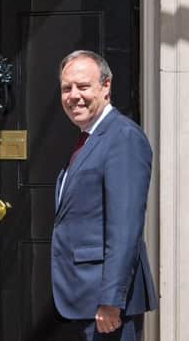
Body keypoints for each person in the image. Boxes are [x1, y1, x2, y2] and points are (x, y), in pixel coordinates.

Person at [51, 50, 157, 340]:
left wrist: (112, 300)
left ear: (106, 86)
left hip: (105, 306)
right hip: (82, 298)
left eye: (83, 86)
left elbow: (125, 228)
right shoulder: (89, 138)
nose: (74, 95)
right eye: (66, 88)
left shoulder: (122, 137)